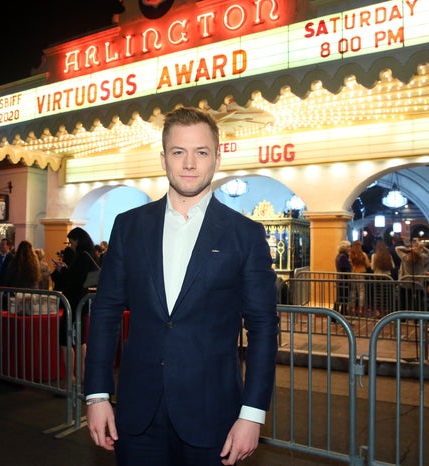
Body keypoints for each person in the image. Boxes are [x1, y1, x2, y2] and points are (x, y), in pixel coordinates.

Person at [84, 106, 279, 466]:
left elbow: (263, 328)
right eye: (179, 152)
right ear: (164, 158)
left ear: (217, 159)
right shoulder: (129, 227)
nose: (189, 163)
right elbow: (106, 311)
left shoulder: (245, 235)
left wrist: (252, 414)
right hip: (138, 414)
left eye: (201, 152)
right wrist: (97, 395)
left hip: (214, 415)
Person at [51, 227, 99, 385]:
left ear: (77, 240)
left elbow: (73, 279)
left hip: (73, 301)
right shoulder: (89, 254)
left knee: (65, 340)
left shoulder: (82, 257)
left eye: (71, 242)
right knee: (80, 340)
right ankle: (82, 375)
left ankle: (70, 378)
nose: (70, 245)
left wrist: (62, 271)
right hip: (82, 301)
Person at [370, 240, 395, 315]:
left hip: (377, 277)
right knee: (386, 294)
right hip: (387, 277)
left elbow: (372, 268)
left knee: (377, 295)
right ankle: (386, 311)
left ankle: (378, 311)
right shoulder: (388, 256)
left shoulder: (374, 256)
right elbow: (393, 266)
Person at [349, 240, 371, 314]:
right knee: (361, 291)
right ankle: (361, 308)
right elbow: (368, 265)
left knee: (353, 291)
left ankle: (352, 308)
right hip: (361, 273)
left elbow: (350, 265)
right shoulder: (363, 255)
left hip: (353, 274)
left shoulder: (351, 254)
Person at [334, 240, 352, 315]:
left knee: (340, 298)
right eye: (348, 247)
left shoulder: (339, 256)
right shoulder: (343, 257)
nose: (350, 248)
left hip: (340, 279)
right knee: (343, 299)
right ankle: (339, 315)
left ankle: (337, 315)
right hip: (344, 280)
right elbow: (346, 268)